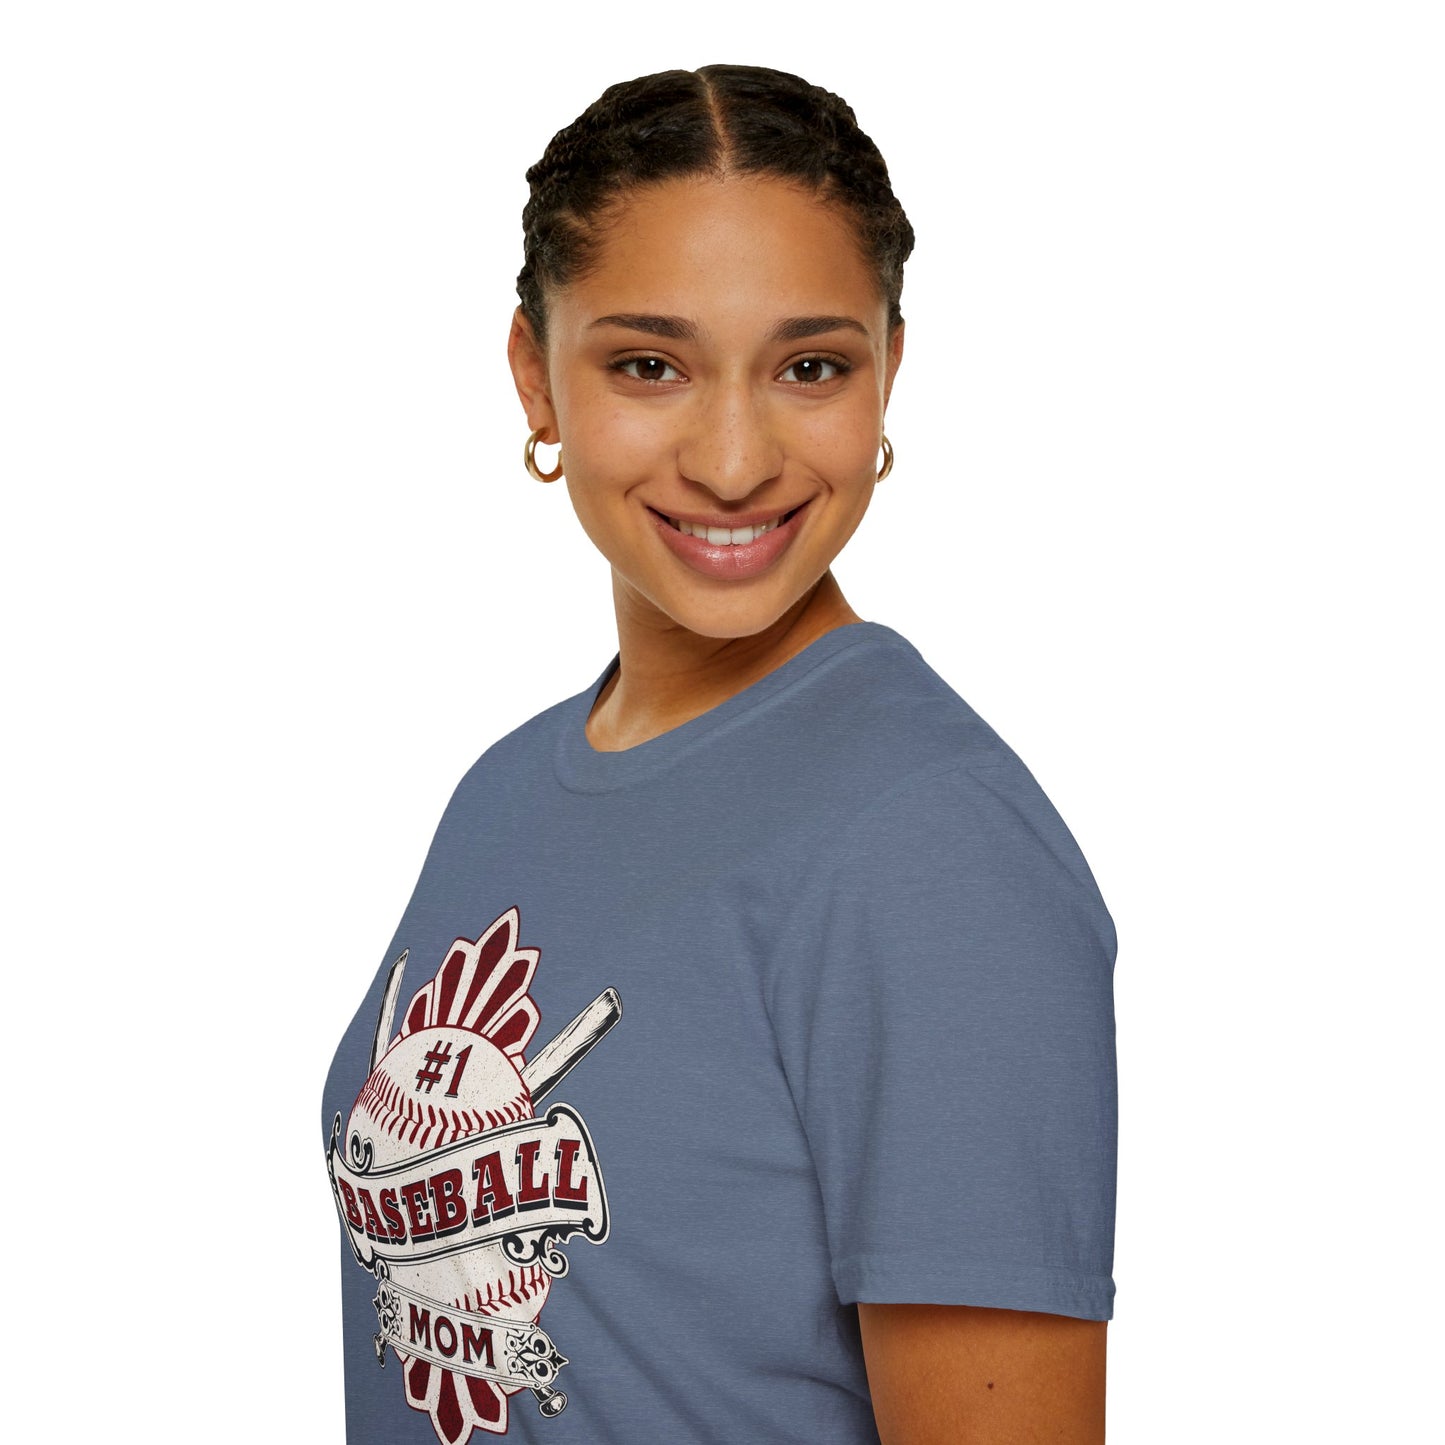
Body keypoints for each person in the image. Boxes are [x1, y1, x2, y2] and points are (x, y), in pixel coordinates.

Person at [322, 63, 1117, 1445]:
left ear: (888, 373)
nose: (736, 457)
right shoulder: (505, 787)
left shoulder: (929, 845)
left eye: (810, 366)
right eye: (648, 364)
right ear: (535, 373)